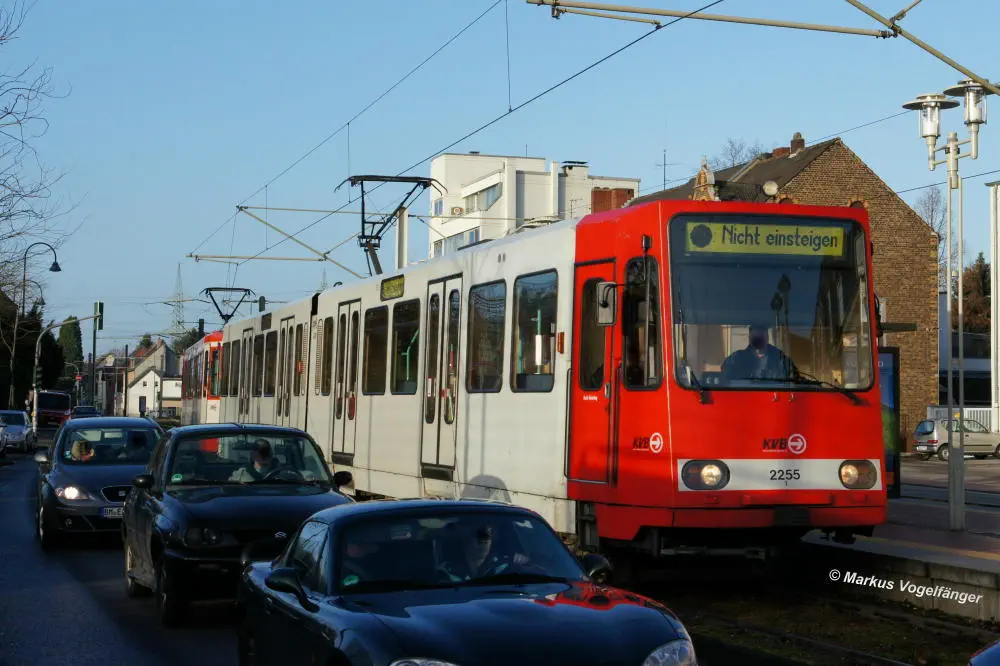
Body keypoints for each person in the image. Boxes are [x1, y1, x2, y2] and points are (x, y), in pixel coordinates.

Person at [438, 520, 529, 582]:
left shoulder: (505, 567)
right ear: (464, 539)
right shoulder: (445, 572)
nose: (485, 540)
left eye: (488, 535)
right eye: (479, 535)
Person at [721, 323, 798, 381]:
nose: (759, 338)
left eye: (762, 335)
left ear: (767, 337)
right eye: (756, 335)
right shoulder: (737, 359)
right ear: (750, 338)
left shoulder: (780, 359)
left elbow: (794, 379)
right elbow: (725, 379)